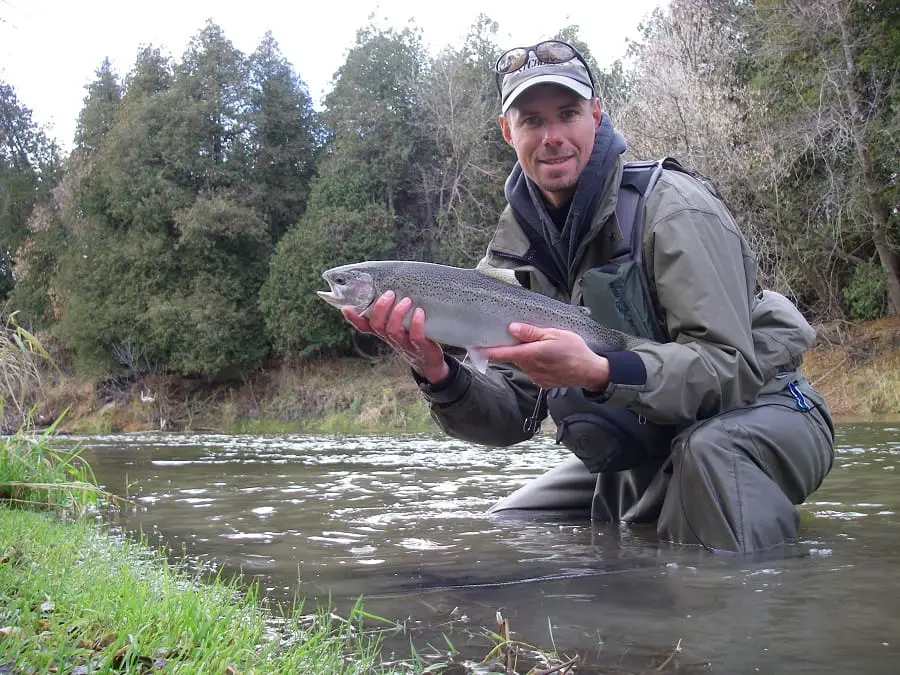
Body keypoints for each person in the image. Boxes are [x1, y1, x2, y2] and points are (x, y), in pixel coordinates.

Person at [342, 39, 835, 554]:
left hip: (769, 411)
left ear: (597, 115)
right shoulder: (512, 256)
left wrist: (600, 372)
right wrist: (439, 373)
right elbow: (513, 415)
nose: (552, 136)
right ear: (508, 132)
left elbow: (728, 367)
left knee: (709, 456)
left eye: (568, 113)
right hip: (655, 434)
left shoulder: (674, 210)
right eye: (532, 120)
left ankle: (742, 617)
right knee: (513, 525)